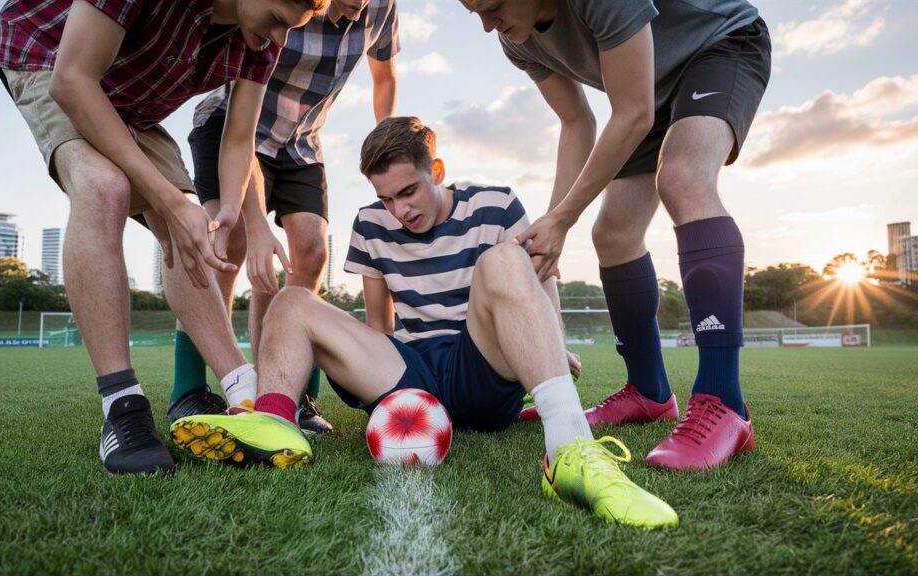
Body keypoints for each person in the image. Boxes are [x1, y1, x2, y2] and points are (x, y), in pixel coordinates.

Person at [169, 117, 678, 530]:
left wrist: (551, 346)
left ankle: (570, 451)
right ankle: (275, 422)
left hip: (478, 361)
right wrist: (361, 367)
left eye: (409, 191)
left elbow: (539, 279)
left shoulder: (496, 203)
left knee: (504, 259)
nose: (399, 209)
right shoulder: (371, 224)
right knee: (293, 299)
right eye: (387, 198)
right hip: (408, 370)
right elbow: (378, 322)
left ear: (435, 168)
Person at [0, 0, 328, 474]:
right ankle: (122, 409)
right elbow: (74, 80)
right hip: (56, 60)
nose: (278, 38)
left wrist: (229, 210)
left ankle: (243, 390)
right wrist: (170, 201)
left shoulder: (262, 44)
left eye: (290, 29)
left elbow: (237, 140)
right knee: (107, 189)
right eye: (275, 18)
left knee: (184, 228)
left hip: (128, 103)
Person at [461, 0, 771, 470]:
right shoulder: (516, 39)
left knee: (683, 178)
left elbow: (631, 113)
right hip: (650, 92)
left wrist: (564, 218)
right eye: (475, 14)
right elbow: (576, 122)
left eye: (494, 6)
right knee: (612, 234)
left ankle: (723, 400)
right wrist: (553, 224)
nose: (487, 25)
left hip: (719, 46)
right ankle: (648, 391)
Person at [167, 0, 400, 434]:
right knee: (228, 246)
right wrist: (255, 230)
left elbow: (383, 75)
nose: (358, 4)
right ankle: (187, 389)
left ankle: (286, 393)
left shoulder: (382, 10)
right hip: (232, 125)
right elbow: (241, 132)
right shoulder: (285, 7)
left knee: (309, 255)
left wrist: (388, 138)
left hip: (301, 141)